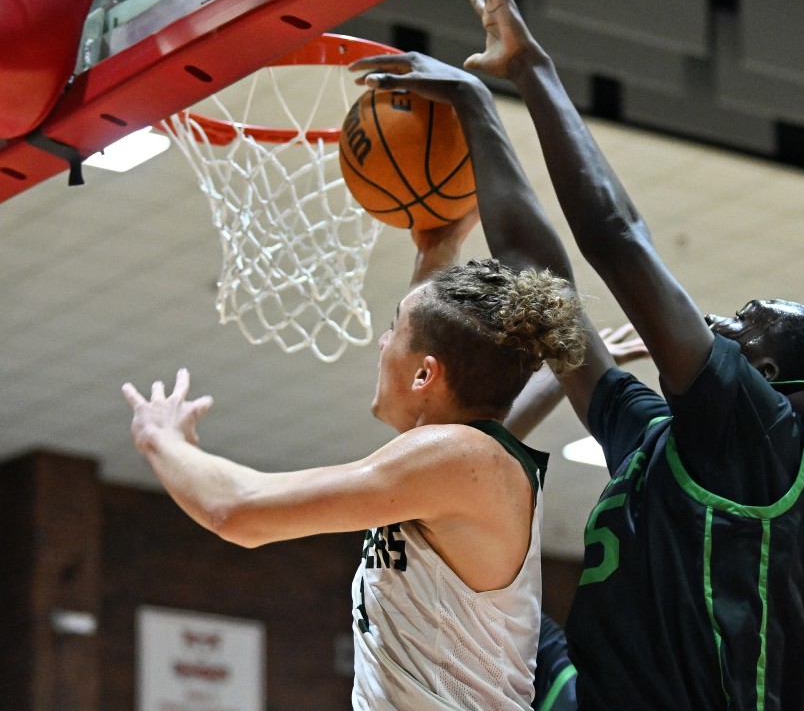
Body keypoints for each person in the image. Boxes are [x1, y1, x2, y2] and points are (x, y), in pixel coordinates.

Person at [351, 0, 804, 711]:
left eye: (744, 328)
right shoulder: (678, 450)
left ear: (768, 386)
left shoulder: (759, 442)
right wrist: (479, 111)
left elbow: (616, 238)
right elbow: (544, 296)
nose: (717, 324)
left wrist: (533, 73)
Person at [121, 211, 588, 711]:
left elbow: (235, 509)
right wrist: (436, 252)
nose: (384, 343)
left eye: (394, 330)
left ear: (425, 375)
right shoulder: (468, 459)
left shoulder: (460, 459)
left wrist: (160, 437)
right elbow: (449, 363)